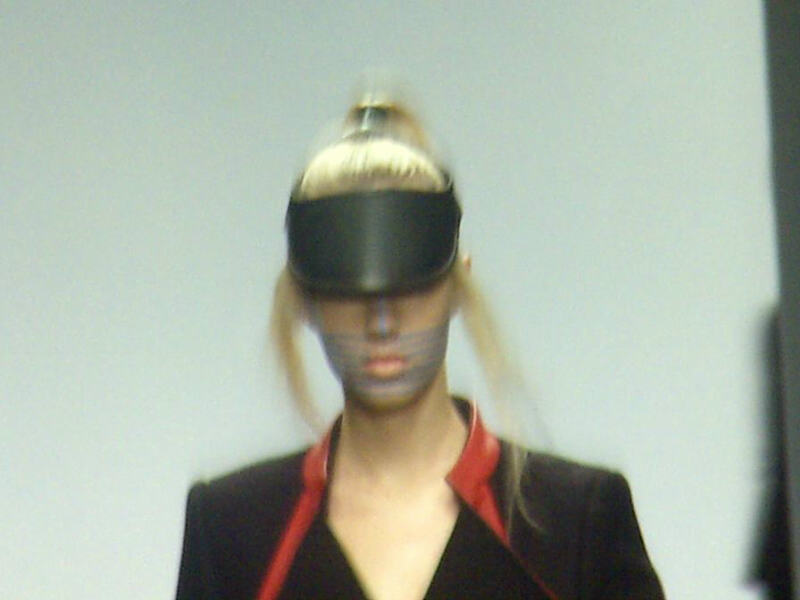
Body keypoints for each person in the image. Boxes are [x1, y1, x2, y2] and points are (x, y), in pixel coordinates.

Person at [175, 92, 665, 600]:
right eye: (349, 290)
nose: (382, 322)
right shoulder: (232, 529)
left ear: (458, 285)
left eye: (412, 285)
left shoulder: (577, 521)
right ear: (305, 301)